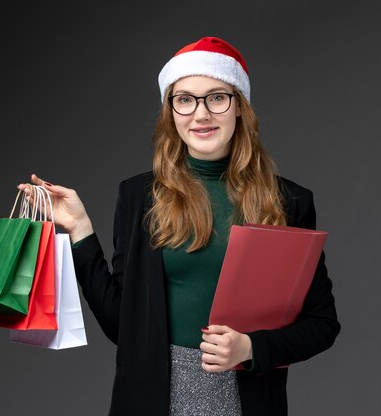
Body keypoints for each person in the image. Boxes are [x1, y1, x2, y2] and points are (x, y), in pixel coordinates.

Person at [18, 36, 340, 416]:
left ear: (240, 107)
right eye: (185, 99)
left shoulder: (290, 202)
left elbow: (322, 325)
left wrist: (251, 349)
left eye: (217, 97)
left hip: (246, 402)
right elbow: (123, 326)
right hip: (152, 401)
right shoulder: (139, 195)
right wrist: (81, 231)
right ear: (171, 111)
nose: (200, 114)